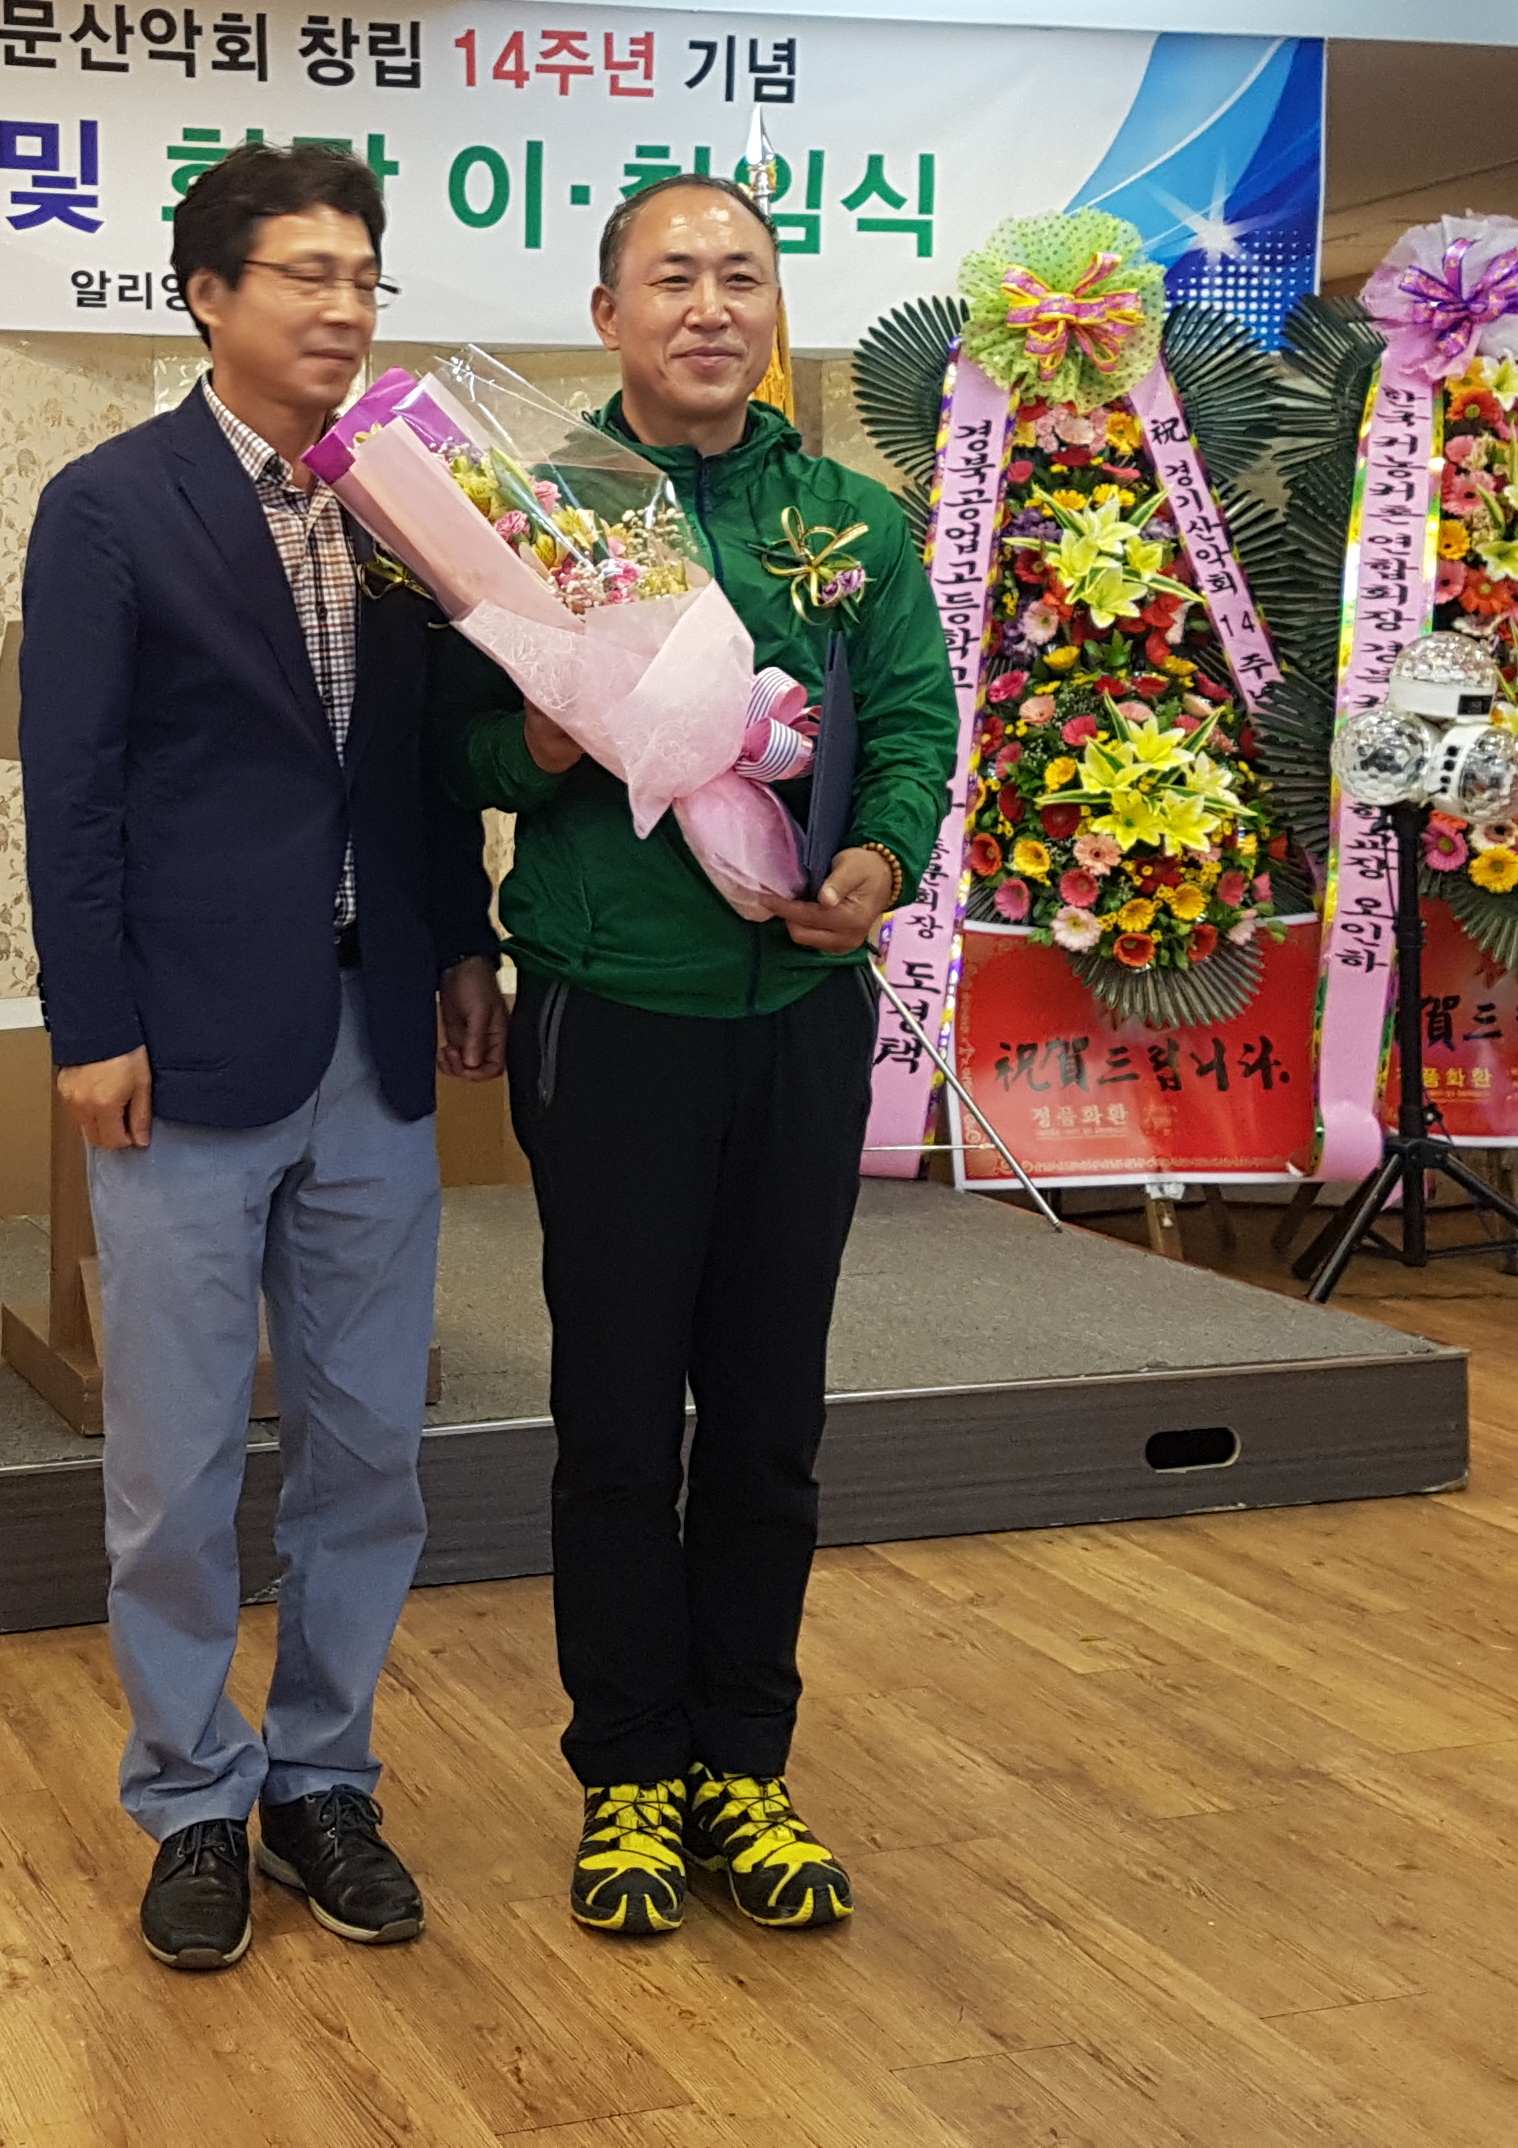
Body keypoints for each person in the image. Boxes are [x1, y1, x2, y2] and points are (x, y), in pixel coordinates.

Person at [430, 170, 948, 1941]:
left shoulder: (851, 520)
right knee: (616, 1416)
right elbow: (454, 756)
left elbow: (916, 722)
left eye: (742, 276)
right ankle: (631, 1775)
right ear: (609, 315)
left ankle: (748, 1762)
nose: (711, 307)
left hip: (799, 1015)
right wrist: (550, 743)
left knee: (772, 1414)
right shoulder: (530, 512)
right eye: (673, 279)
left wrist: (878, 861)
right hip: (615, 1016)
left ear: (774, 310)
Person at [20, 141, 507, 1973]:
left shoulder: (405, 505)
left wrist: (460, 943)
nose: (344, 307)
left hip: (375, 1041)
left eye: (365, 277)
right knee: (174, 1466)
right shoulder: (108, 505)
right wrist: (92, 1025)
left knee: (368, 1449)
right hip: (185, 1053)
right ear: (207, 295)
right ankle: (188, 1796)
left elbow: (423, 765)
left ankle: (322, 1779)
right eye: (307, 274)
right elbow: (71, 794)